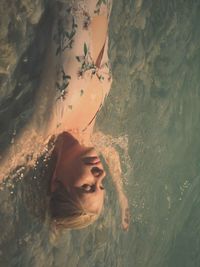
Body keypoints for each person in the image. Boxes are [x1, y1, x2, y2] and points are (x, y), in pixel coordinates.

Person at [1, 0, 130, 231]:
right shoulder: (88, 136)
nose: (99, 175)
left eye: (88, 186)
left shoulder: (45, 127)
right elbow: (112, 152)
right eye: (102, 186)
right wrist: (122, 196)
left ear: (56, 183)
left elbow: (4, 168)